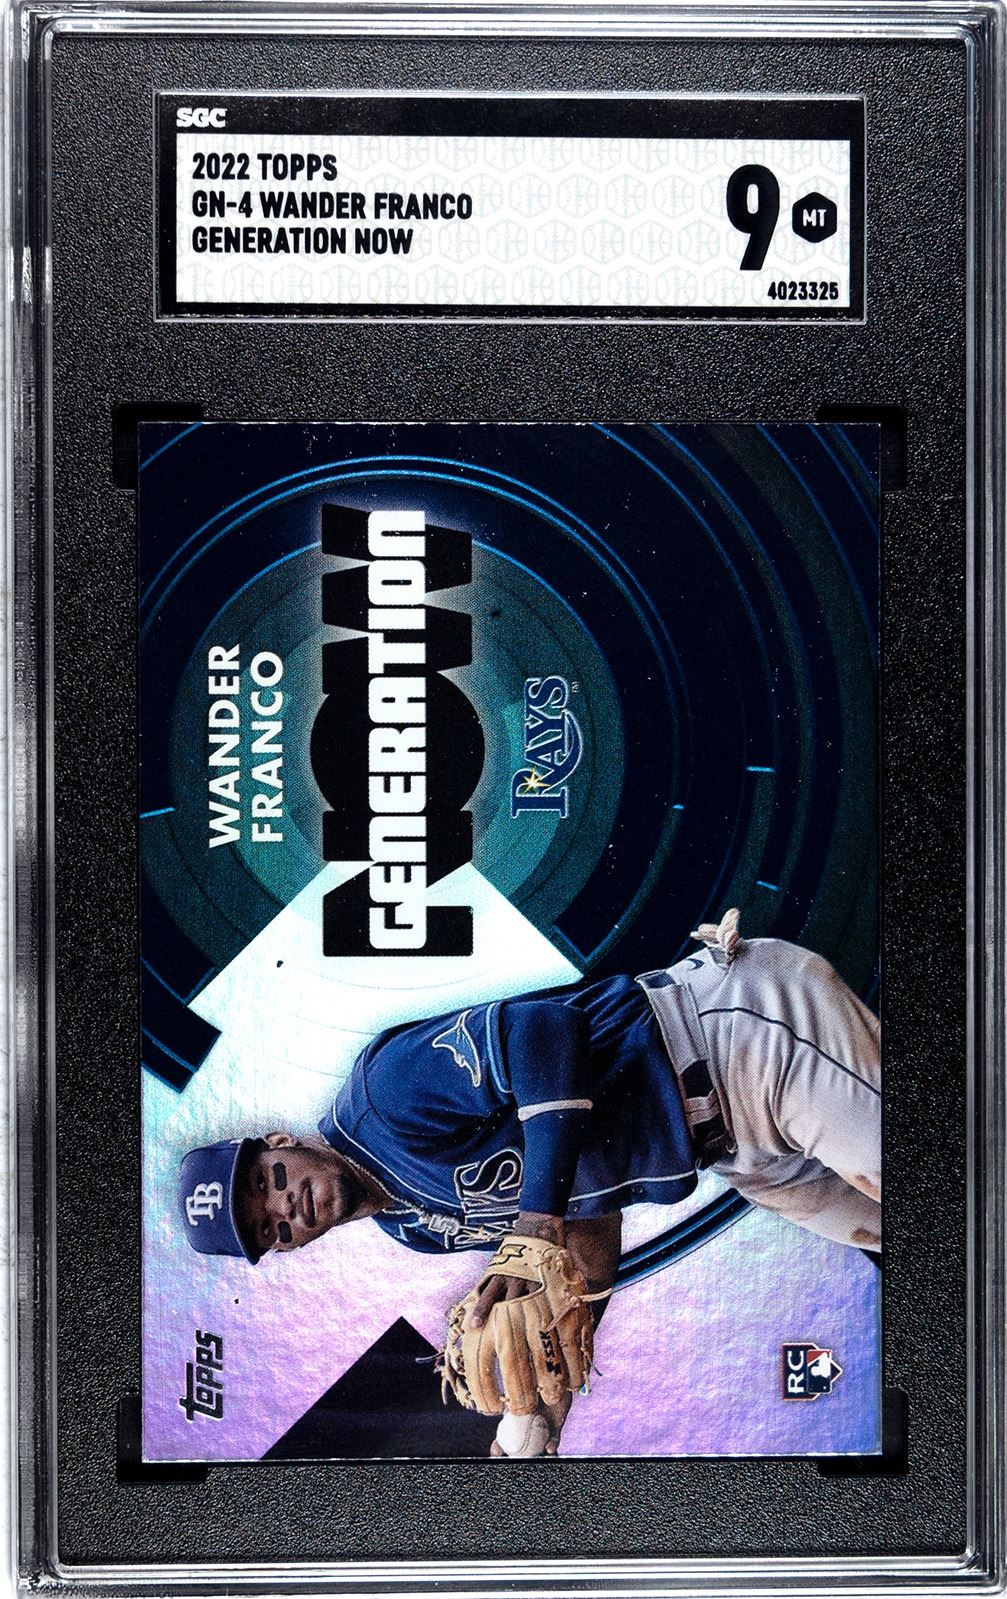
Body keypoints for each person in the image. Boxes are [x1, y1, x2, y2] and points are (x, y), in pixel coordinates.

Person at [178, 911, 881, 1453]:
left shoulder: (381, 1098)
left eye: (266, 1181)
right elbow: (587, 1219)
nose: (285, 1207)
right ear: (289, 1248)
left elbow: (545, 1029)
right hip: (740, 1151)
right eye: (270, 1229)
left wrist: (534, 1222)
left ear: (279, 1141)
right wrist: (543, 1406)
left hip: (738, 1035)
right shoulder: (414, 1229)